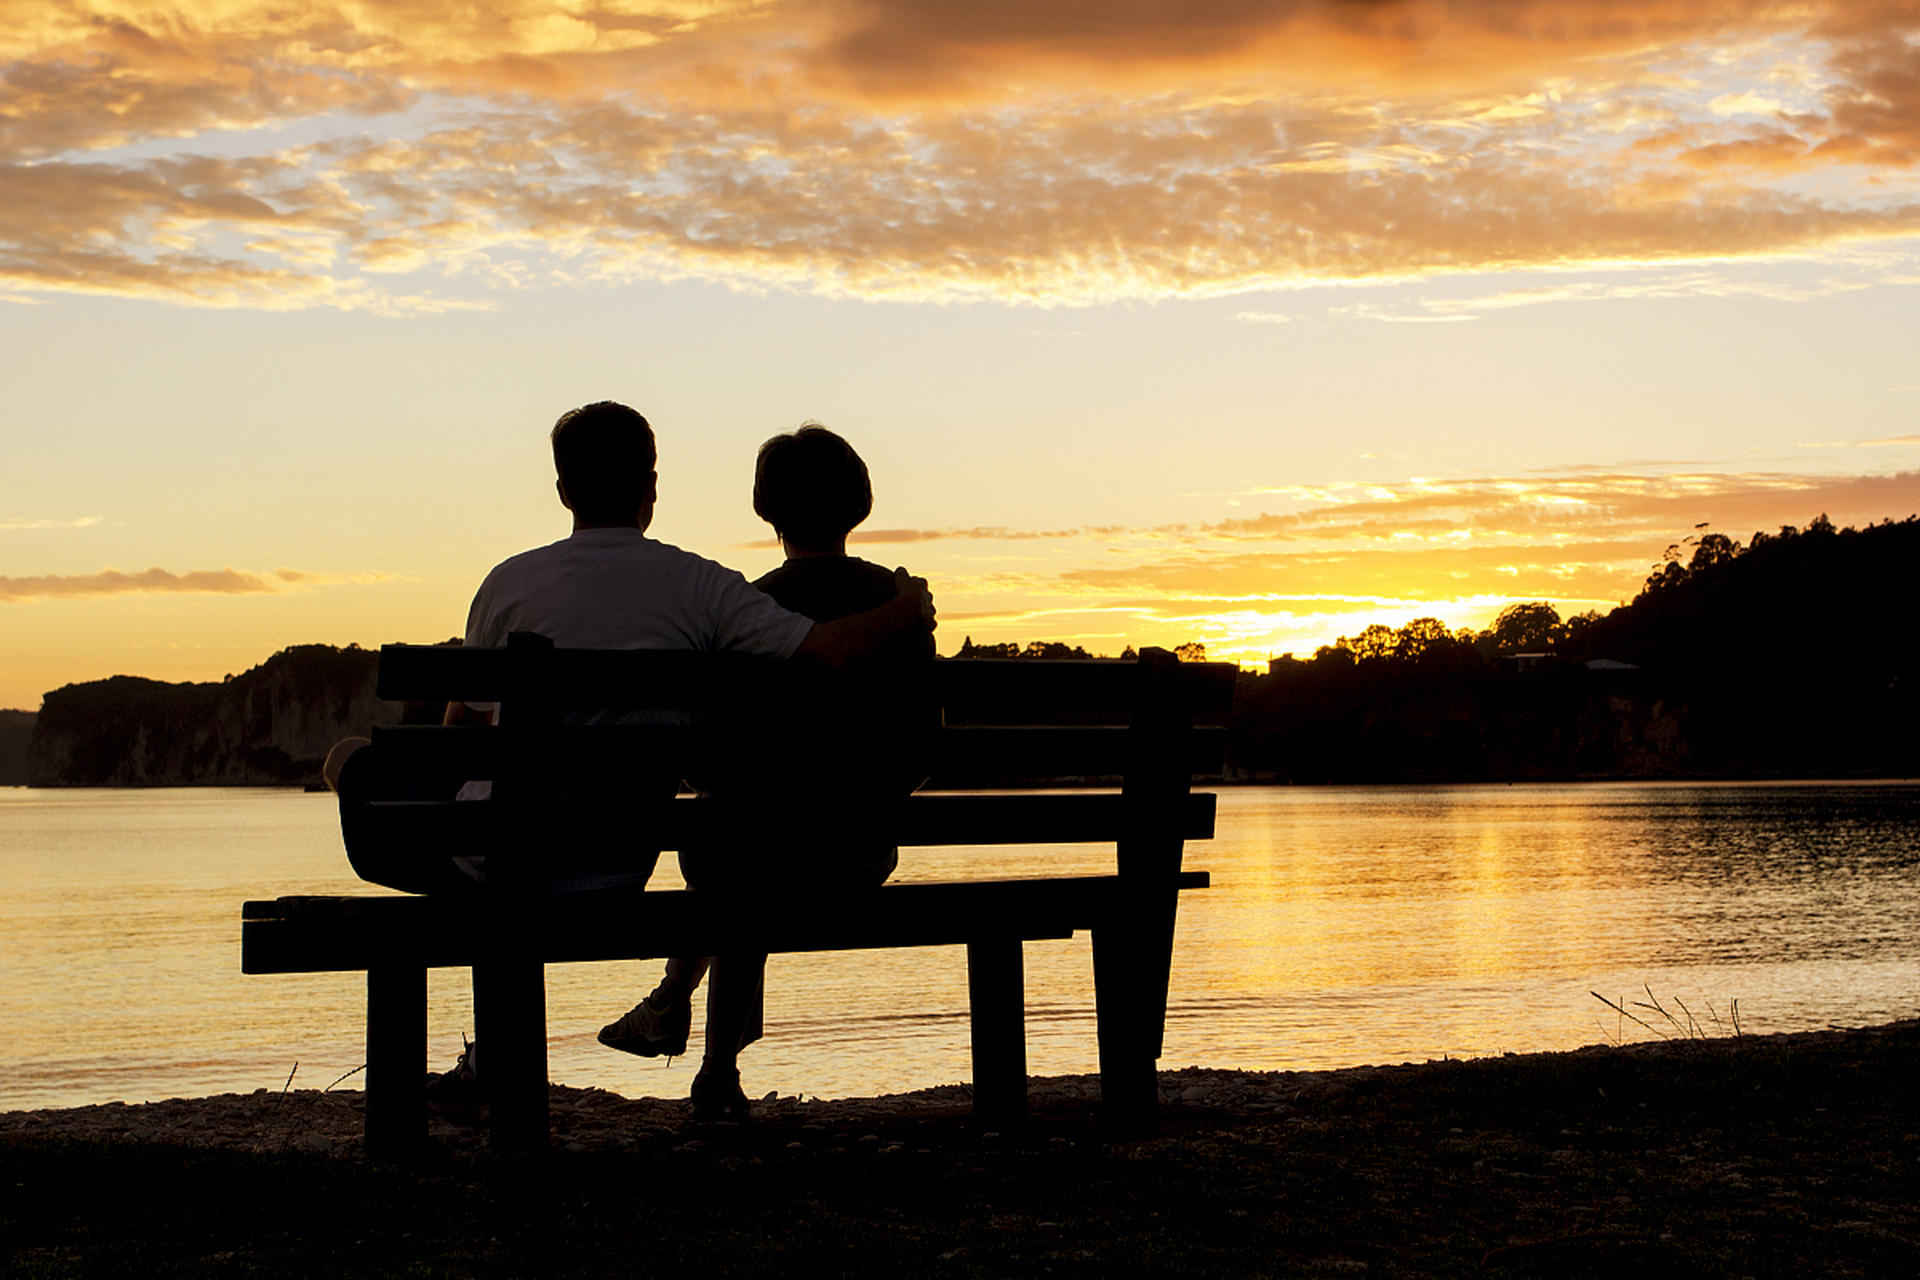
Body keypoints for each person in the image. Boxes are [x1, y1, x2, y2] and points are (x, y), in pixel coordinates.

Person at [324, 402, 935, 1116]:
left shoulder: (509, 584)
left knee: (354, 766)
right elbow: (839, 665)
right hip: (630, 865)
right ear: (651, 485)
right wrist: (907, 606)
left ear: (562, 491)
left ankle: (505, 1057)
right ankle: (643, 1041)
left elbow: (466, 737)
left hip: (517, 864)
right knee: (735, 845)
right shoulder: (705, 589)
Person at [595, 423, 935, 1121]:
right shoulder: (902, 609)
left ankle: (701, 1046)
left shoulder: (741, 607)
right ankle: (685, 1030)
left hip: (744, 855)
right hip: (858, 854)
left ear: (766, 509)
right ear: (859, 503)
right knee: (750, 845)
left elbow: (705, 756)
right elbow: (922, 749)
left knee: (739, 846)